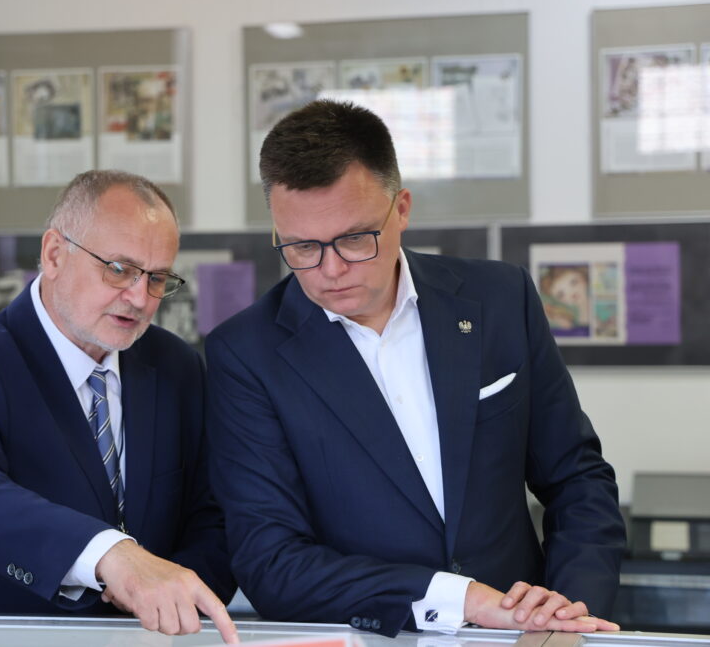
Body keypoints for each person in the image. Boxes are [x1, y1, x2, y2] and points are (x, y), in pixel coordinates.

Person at [204, 100, 626, 637]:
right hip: (369, 637)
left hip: (524, 635)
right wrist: (460, 598)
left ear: (401, 209)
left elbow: (576, 478)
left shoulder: (499, 298)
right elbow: (271, 561)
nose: (331, 270)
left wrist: (567, 612)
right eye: (303, 246)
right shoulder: (245, 353)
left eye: (355, 238)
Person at [0, 170, 237, 643]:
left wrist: (166, 605)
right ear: (54, 254)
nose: (139, 298)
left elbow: (212, 515)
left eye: (157, 278)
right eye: (119, 269)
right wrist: (112, 556)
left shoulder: (176, 365)